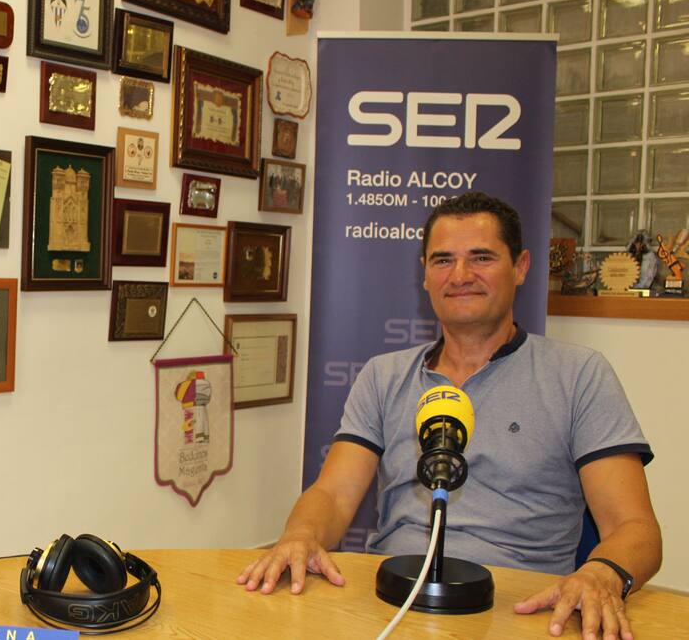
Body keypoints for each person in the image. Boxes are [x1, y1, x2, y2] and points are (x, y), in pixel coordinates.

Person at [238, 192, 660, 640]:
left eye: (481, 258)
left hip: (521, 611)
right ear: (424, 274)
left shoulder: (578, 375)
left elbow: (634, 528)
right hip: (388, 602)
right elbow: (334, 495)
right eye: (442, 261)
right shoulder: (385, 376)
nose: (460, 276)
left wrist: (600, 574)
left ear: (520, 267)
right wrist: (300, 536)